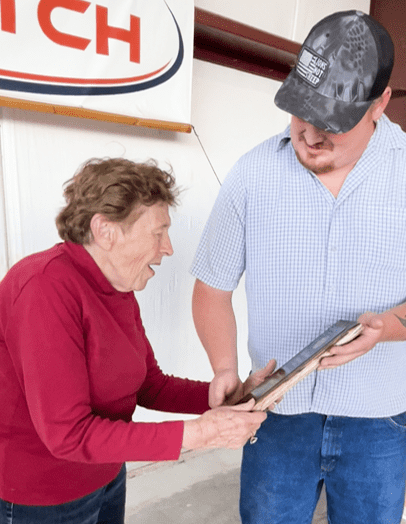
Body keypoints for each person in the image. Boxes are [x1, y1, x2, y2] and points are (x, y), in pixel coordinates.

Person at [191, 10, 406, 524]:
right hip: (276, 415)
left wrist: (390, 328)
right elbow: (212, 288)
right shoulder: (254, 172)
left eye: (333, 124)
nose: (310, 136)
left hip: (380, 420)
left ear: (380, 102)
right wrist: (224, 368)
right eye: (301, 115)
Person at [0, 157, 271, 524]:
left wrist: (223, 396)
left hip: (105, 475)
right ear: (106, 231)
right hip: (40, 496)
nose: (169, 248)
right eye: (158, 232)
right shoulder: (43, 290)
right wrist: (197, 434)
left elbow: (148, 384)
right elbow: (67, 435)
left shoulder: (118, 286)